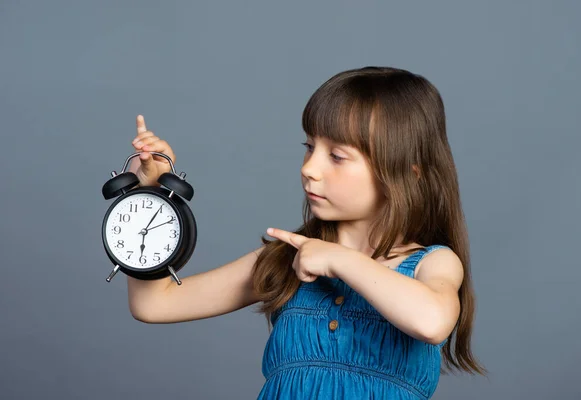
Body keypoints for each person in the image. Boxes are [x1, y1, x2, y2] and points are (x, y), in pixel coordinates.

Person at [126, 66, 486, 399]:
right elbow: (154, 303)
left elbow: (432, 321)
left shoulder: (431, 264)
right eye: (310, 147)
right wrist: (148, 197)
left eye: (337, 156)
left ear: (408, 172)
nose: (309, 168)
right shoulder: (289, 258)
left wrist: (341, 260)